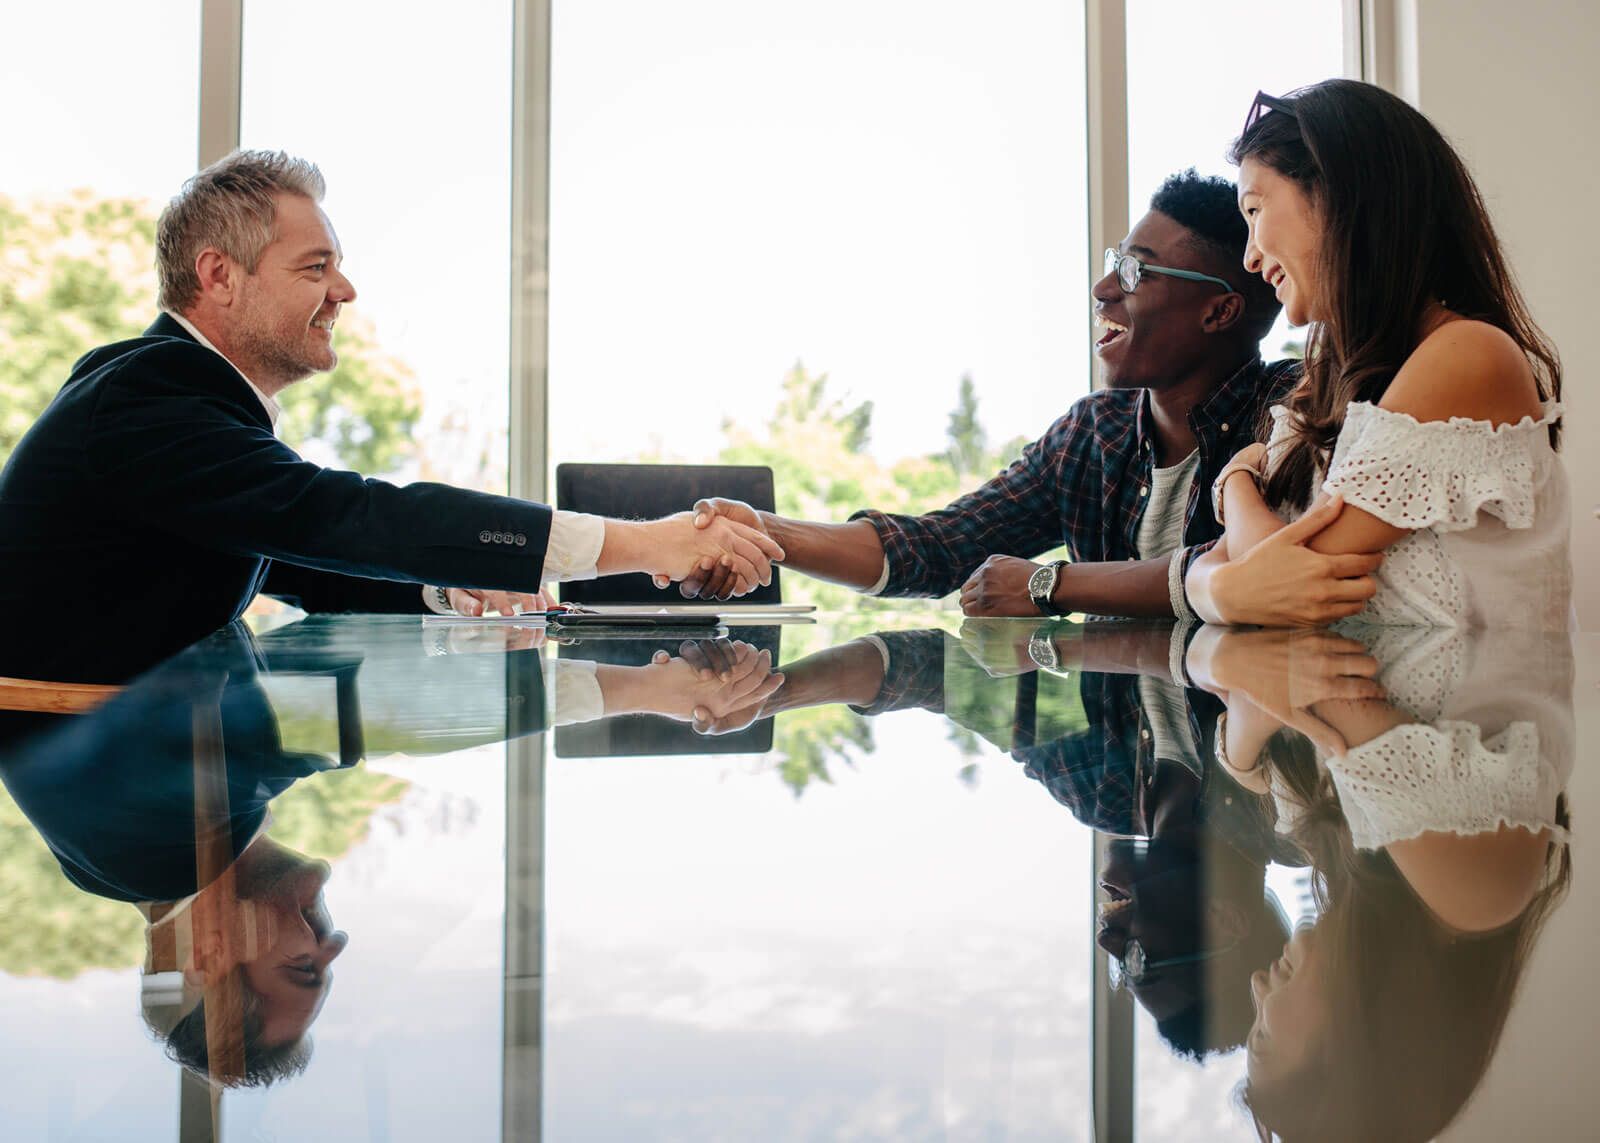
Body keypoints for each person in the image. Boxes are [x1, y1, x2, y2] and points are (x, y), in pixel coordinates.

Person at [0, 150, 782, 685]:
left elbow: (304, 563)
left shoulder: (173, 397)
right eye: (317, 267)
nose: (345, 291)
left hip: (155, 763)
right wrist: (651, 541)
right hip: (107, 781)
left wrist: (455, 593)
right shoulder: (151, 397)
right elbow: (340, 516)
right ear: (219, 276)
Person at [679, 170, 1381, 622]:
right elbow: (939, 547)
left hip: (1257, 759)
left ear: (1220, 312)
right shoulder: (1093, 434)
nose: (1105, 289)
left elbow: (1246, 579)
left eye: (1136, 272)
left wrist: (1051, 584)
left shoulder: (1297, 411)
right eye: (1112, 264)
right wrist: (769, 532)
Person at [1186, 80, 1569, 630]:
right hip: (1339, 704)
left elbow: (1289, 586)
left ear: (1338, 195)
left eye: (1254, 209)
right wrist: (1217, 583)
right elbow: (1247, 579)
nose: (1248, 257)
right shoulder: (1330, 383)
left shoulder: (1468, 355)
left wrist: (1235, 483)